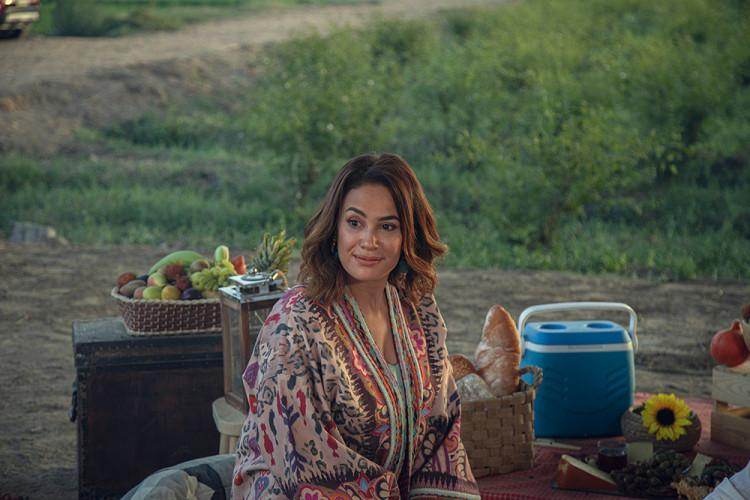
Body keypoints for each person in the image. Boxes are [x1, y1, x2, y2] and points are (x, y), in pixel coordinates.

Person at [231, 153, 481, 499]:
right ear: (334, 228)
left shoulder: (416, 310)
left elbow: (441, 430)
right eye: (354, 223)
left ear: (409, 236)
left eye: (387, 226)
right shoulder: (294, 323)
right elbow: (304, 462)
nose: (369, 241)